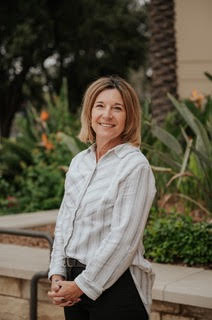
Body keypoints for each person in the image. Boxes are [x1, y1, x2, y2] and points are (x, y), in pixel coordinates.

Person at [48, 75, 156, 320]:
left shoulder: (134, 166)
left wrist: (83, 286)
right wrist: (57, 275)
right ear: (90, 112)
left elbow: (123, 240)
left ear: (128, 117)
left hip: (116, 287)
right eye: (100, 106)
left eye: (117, 108)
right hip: (72, 282)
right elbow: (64, 223)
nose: (107, 115)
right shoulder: (79, 162)